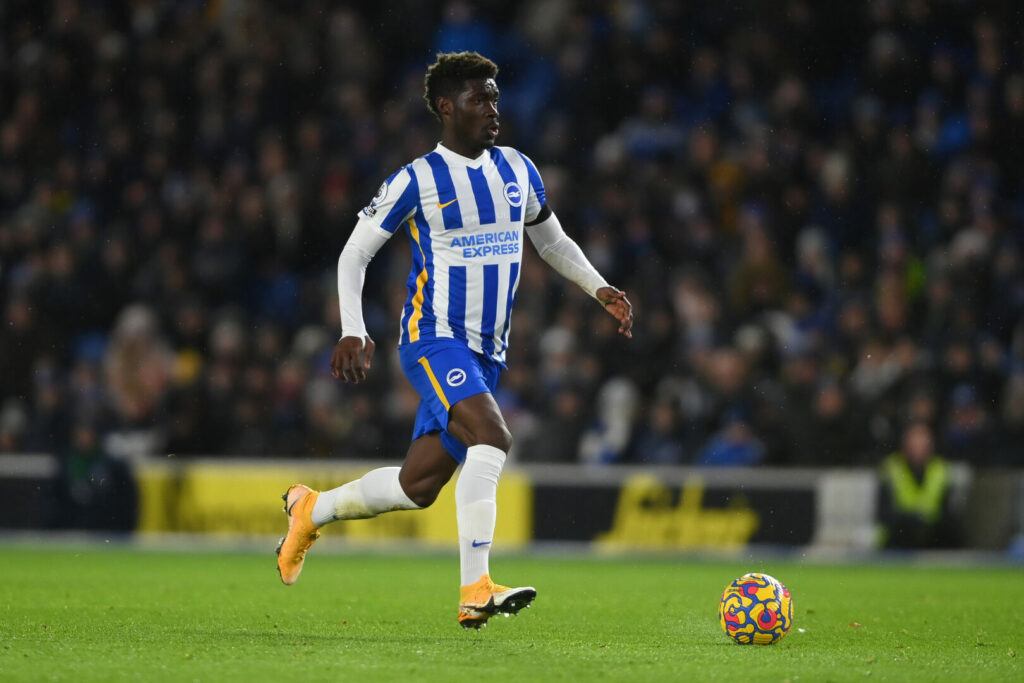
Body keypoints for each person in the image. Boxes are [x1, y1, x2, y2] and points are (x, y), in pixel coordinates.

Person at [276, 52, 633, 629]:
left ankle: (311, 509)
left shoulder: (518, 168)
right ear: (446, 106)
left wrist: (599, 288)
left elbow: (551, 241)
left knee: (417, 486)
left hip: (488, 353)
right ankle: (476, 588)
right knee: (493, 435)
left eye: (494, 97)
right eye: (478, 99)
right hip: (433, 338)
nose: (493, 109)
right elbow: (354, 253)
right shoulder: (416, 179)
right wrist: (352, 329)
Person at [876, 420, 959, 549]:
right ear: (905, 442)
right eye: (914, 438)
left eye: (922, 438)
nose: (918, 443)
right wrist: (911, 520)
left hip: (931, 537)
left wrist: (925, 523)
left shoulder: (940, 469)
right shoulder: (891, 467)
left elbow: (948, 513)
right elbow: (883, 513)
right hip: (898, 537)